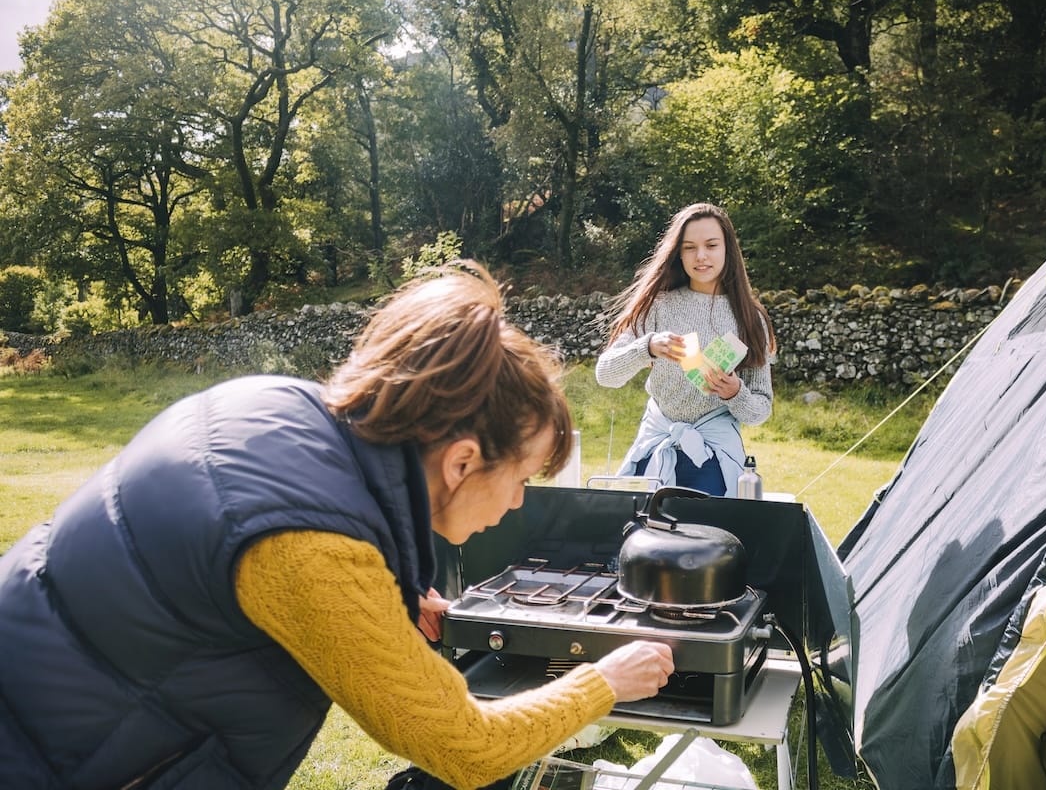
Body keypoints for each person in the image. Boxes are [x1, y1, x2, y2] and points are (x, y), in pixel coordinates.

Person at [0, 261, 675, 790]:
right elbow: (463, 748)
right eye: (522, 479)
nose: (520, 504)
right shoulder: (313, 553)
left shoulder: (277, 401)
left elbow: (228, 558)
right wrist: (604, 681)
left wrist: (389, 594)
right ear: (463, 461)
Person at [595, 203, 776, 496]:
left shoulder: (750, 318)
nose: (701, 256)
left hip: (714, 457)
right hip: (656, 447)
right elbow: (606, 374)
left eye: (711, 245)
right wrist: (648, 347)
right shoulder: (658, 305)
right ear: (678, 253)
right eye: (690, 247)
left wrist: (734, 392)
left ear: (728, 250)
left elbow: (760, 411)